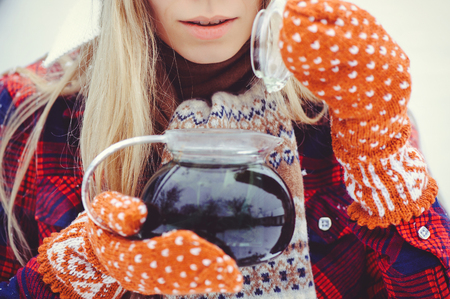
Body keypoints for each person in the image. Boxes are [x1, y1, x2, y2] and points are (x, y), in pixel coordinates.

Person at [0, 0, 449, 298]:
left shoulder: (348, 112)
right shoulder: (28, 114)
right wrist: (76, 272)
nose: (210, 0)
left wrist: (386, 163)